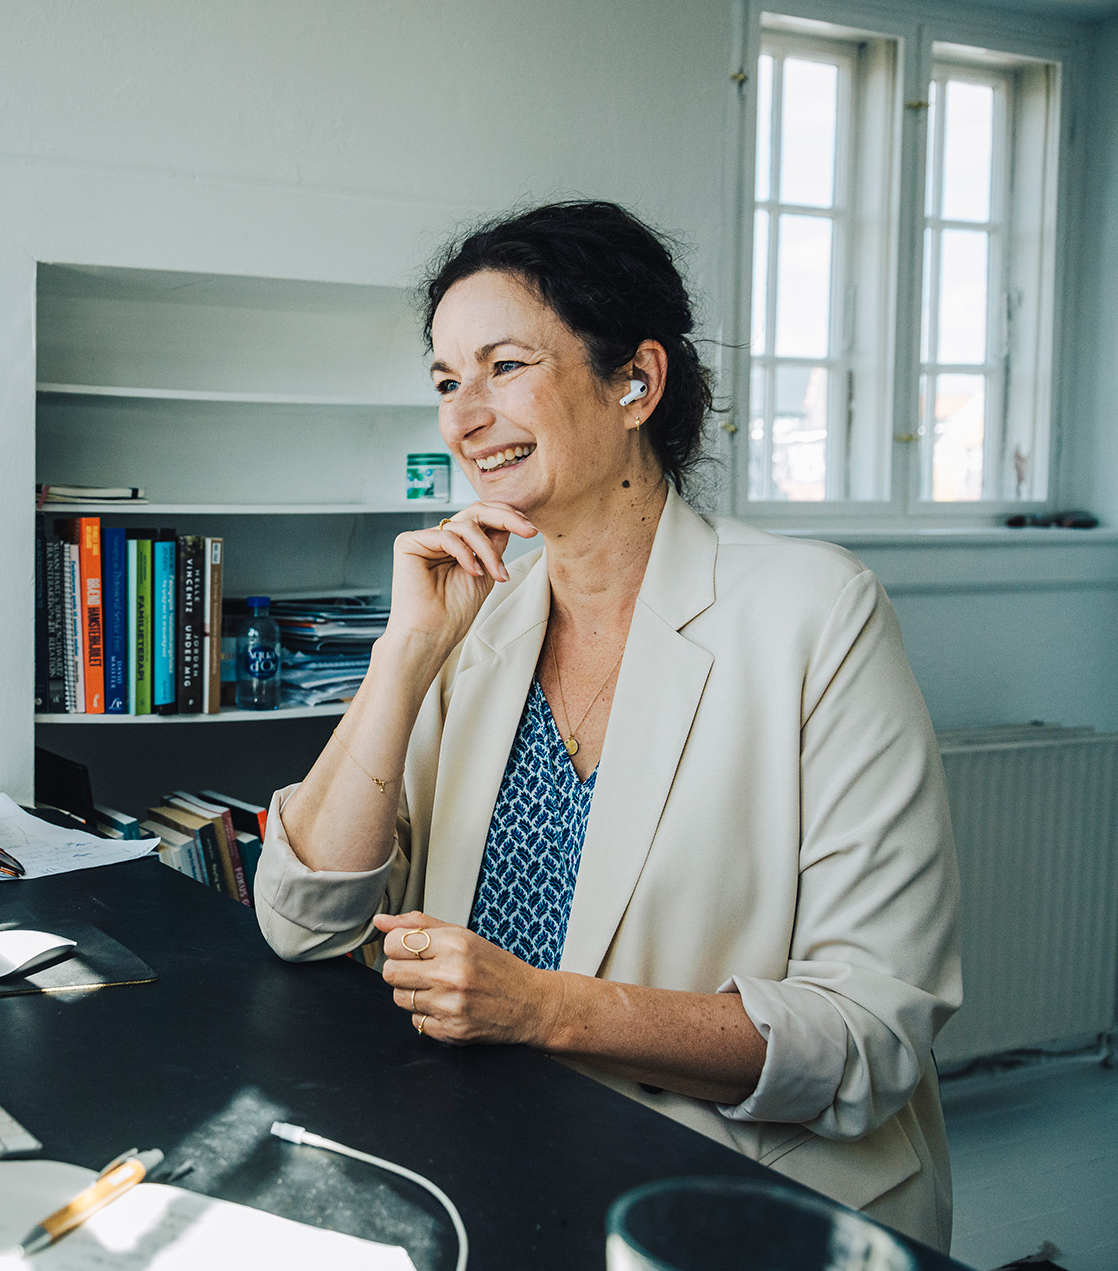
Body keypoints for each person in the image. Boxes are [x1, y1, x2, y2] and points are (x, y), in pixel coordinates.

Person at [254, 202, 961, 1249]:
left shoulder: (817, 609)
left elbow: (868, 1028)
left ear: (636, 381)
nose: (464, 415)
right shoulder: (476, 616)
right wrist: (403, 656)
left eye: (503, 365)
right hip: (482, 1165)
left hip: (723, 1195)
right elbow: (301, 916)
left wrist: (543, 1007)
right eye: (448, 380)